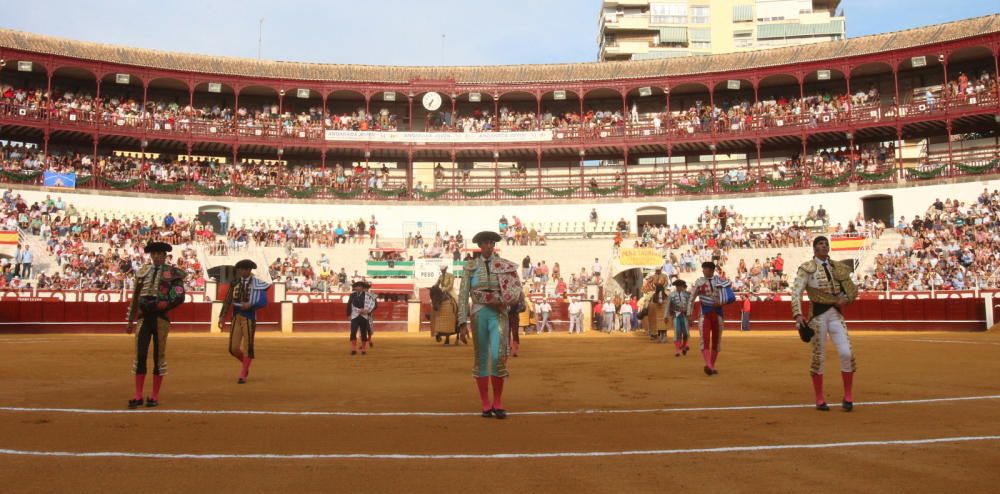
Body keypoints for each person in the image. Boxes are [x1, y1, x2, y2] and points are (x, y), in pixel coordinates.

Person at [457, 231, 521, 419]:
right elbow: (463, 295)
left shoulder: (504, 265)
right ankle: (486, 403)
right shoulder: (470, 266)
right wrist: (462, 321)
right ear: (480, 245)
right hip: (478, 313)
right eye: (485, 243)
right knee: (482, 357)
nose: (489, 245)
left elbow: (513, 290)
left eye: (492, 242)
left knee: (499, 356)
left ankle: (498, 401)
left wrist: (506, 300)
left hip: (499, 313)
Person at [791, 236, 859, 411]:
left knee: (846, 353)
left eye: (826, 244)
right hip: (817, 316)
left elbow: (852, 289)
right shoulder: (807, 268)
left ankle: (848, 396)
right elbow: (796, 292)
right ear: (814, 248)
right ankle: (820, 398)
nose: (824, 246)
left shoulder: (838, 267)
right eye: (820, 244)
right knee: (818, 357)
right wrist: (798, 315)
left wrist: (846, 299)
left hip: (835, 314)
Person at [125, 241, 186, 409]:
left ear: (165, 256)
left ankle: (154, 396)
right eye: (154, 254)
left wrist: (166, 305)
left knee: (159, 356)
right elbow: (136, 297)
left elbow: (179, 295)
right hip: (144, 318)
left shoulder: (173, 273)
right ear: (150, 256)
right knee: (141, 355)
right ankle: (138, 396)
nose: (157, 257)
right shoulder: (142, 272)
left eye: (160, 254)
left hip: (160, 319)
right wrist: (130, 320)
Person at [217, 259, 270, 383]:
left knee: (248, 346)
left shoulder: (257, 283)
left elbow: (263, 301)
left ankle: (243, 374)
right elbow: (228, 299)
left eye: (247, 269)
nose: (245, 271)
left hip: (249, 317)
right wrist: (222, 316)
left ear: (250, 270)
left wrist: (251, 304)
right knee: (233, 348)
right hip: (236, 315)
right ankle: (246, 365)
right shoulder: (234, 282)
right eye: (242, 269)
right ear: (239, 270)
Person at [688, 261, 735, 376]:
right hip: (705, 314)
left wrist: (721, 302)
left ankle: (711, 366)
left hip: (718, 313)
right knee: (704, 339)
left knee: (716, 341)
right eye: (703, 269)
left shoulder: (721, 281)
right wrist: (689, 314)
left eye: (705, 269)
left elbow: (730, 297)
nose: (703, 271)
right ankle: (709, 365)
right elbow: (691, 299)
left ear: (711, 270)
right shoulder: (699, 282)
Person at [430, 265, 462, 345]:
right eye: (441, 270)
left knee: (457, 301)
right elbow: (437, 284)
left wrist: (444, 289)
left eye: (443, 270)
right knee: (433, 303)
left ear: (446, 269)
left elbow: (450, 285)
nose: (442, 271)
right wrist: (434, 287)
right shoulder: (440, 277)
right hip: (441, 292)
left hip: (450, 291)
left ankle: (460, 315)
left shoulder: (451, 275)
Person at [347, 280, 377, 355]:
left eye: (360, 286)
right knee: (353, 331)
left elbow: (374, 305)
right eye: (357, 286)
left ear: (362, 288)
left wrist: (367, 311)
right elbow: (348, 305)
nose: (358, 287)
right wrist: (348, 314)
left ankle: (363, 349)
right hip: (354, 315)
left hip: (365, 316)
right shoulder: (352, 295)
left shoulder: (369, 295)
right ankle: (353, 349)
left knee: (364, 332)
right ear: (355, 288)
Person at [642, 267, 670, 343]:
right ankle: (644, 310)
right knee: (647, 299)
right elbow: (648, 282)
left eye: (659, 270)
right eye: (656, 270)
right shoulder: (653, 276)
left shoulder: (664, 275)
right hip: (654, 290)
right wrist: (651, 287)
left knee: (670, 297)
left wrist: (663, 287)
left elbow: (667, 282)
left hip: (663, 289)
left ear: (660, 270)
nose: (657, 271)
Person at [667, 280, 692, 357]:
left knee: (685, 333)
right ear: (676, 286)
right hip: (676, 316)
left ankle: (684, 346)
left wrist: (688, 313)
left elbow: (690, 305)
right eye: (678, 286)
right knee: (677, 333)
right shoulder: (671, 295)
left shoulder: (688, 295)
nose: (679, 287)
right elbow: (668, 306)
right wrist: (666, 315)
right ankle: (677, 350)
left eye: (680, 286)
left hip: (685, 316)